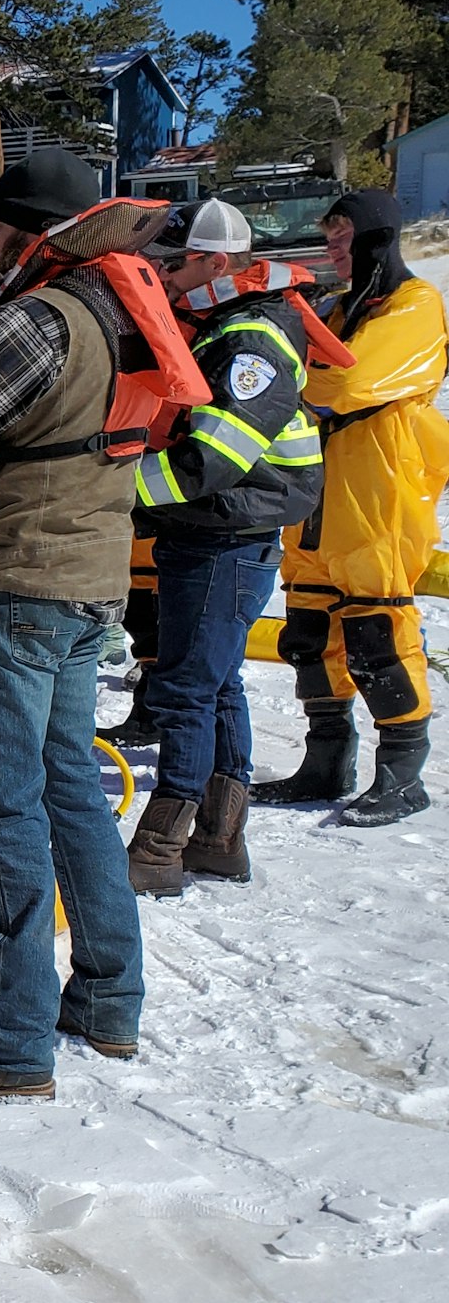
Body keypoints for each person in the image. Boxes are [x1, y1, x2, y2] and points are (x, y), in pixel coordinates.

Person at [0, 151, 197, 1097]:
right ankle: (108, 1000)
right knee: (71, 789)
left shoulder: (37, 319)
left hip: (14, 583)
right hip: (89, 582)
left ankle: (11, 1043)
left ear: (26, 233)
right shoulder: (123, 305)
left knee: (4, 809)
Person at [125, 199, 329, 893]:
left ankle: (159, 848)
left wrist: (110, 492)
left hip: (223, 541)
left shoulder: (252, 345)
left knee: (183, 691)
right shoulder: (234, 327)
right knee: (214, 688)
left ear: (217, 261)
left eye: (173, 265)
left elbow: (205, 462)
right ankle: (217, 839)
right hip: (220, 537)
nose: (166, 279)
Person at [254, 188, 449, 825]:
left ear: (376, 238)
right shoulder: (339, 309)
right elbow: (314, 375)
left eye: (343, 237)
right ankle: (326, 760)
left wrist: (285, 381)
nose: (334, 248)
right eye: (330, 236)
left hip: (380, 491)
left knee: (378, 632)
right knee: (309, 632)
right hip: (319, 494)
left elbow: (353, 382)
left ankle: (402, 771)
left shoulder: (416, 307)